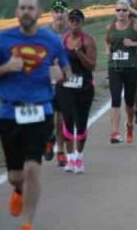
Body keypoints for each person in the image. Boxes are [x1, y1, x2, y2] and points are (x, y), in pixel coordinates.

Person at [0, 0, 70, 230]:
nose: (26, 12)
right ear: (17, 12)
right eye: (22, 8)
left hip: (41, 111)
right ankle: (18, 189)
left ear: (39, 11)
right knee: (16, 175)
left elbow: (66, 71)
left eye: (30, 8)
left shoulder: (50, 40)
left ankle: (28, 223)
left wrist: (59, 74)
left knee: (32, 168)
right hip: (10, 113)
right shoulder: (2, 39)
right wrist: (6, 68)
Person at [56, 9, 96, 174]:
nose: (74, 24)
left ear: (82, 23)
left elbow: (92, 65)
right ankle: (70, 157)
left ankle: (79, 156)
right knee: (67, 121)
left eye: (77, 21)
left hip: (84, 87)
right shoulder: (62, 40)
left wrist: (79, 52)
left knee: (80, 123)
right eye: (71, 21)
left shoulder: (88, 41)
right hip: (65, 87)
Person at [105, 1, 137, 145]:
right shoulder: (110, 27)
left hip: (131, 67)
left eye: (124, 10)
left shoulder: (135, 26)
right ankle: (115, 132)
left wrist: (133, 44)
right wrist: (107, 49)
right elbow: (107, 41)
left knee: (129, 102)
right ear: (115, 12)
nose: (121, 13)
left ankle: (129, 125)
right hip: (115, 67)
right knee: (115, 99)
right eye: (118, 10)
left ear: (128, 12)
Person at [41, 0, 70, 168]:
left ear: (66, 13)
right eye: (56, 11)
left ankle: (61, 152)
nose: (59, 14)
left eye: (62, 11)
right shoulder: (44, 33)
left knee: (60, 119)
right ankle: (48, 140)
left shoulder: (72, 31)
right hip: (47, 80)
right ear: (51, 14)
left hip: (65, 81)